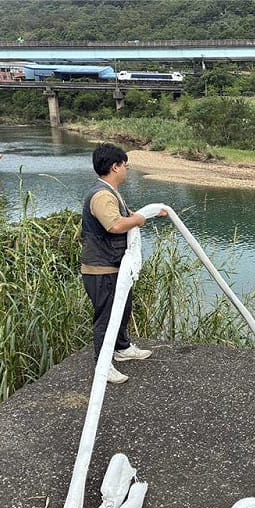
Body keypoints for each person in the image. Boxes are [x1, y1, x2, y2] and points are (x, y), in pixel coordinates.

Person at [81, 143, 167, 384]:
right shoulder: (102, 195)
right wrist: (138, 219)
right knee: (107, 317)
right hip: (102, 268)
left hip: (114, 266)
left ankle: (122, 347)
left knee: (123, 308)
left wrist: (150, 213)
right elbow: (116, 225)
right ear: (115, 167)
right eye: (125, 165)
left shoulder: (109, 192)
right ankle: (103, 366)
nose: (127, 170)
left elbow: (125, 217)